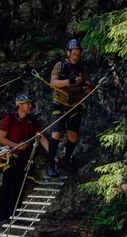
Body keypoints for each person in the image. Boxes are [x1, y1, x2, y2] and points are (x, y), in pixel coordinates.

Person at [0, 94, 50, 223]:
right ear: (19, 105)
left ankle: (14, 215)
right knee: (7, 187)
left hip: (23, 159)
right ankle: (2, 216)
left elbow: (40, 137)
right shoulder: (9, 119)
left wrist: (52, 154)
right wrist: (16, 145)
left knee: (19, 188)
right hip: (10, 158)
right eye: (27, 103)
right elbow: (1, 139)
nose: (30, 106)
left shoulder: (32, 121)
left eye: (30, 103)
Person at [46, 38, 92, 178]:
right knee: (57, 134)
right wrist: (69, 81)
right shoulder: (59, 66)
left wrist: (84, 83)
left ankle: (66, 160)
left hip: (75, 106)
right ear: (68, 53)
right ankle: (50, 165)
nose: (76, 57)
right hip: (59, 104)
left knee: (73, 136)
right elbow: (53, 82)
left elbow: (88, 88)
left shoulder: (82, 69)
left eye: (78, 54)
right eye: (74, 54)